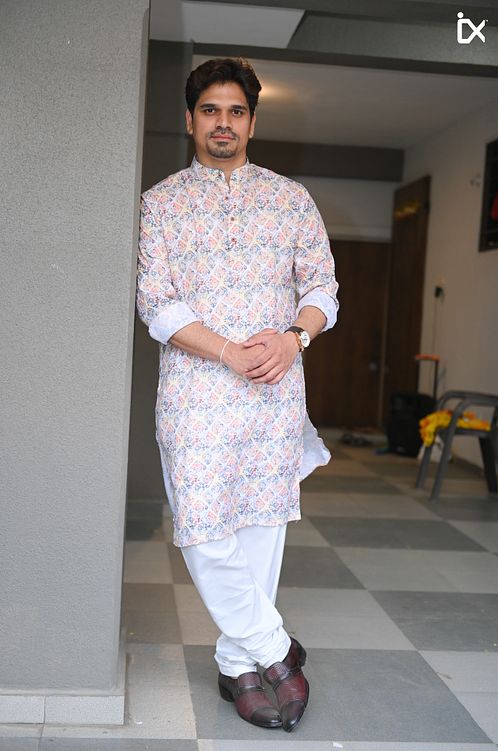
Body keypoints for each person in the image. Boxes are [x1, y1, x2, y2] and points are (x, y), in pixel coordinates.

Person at [136, 57, 339, 733]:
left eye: (235, 111)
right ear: (190, 119)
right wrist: (227, 350)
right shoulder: (160, 204)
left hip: (272, 393)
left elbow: (321, 287)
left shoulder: (290, 198)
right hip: (195, 393)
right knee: (202, 526)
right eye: (210, 110)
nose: (222, 122)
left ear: (252, 122)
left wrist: (293, 338)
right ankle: (276, 651)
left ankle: (236, 664)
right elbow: (157, 304)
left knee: (259, 529)